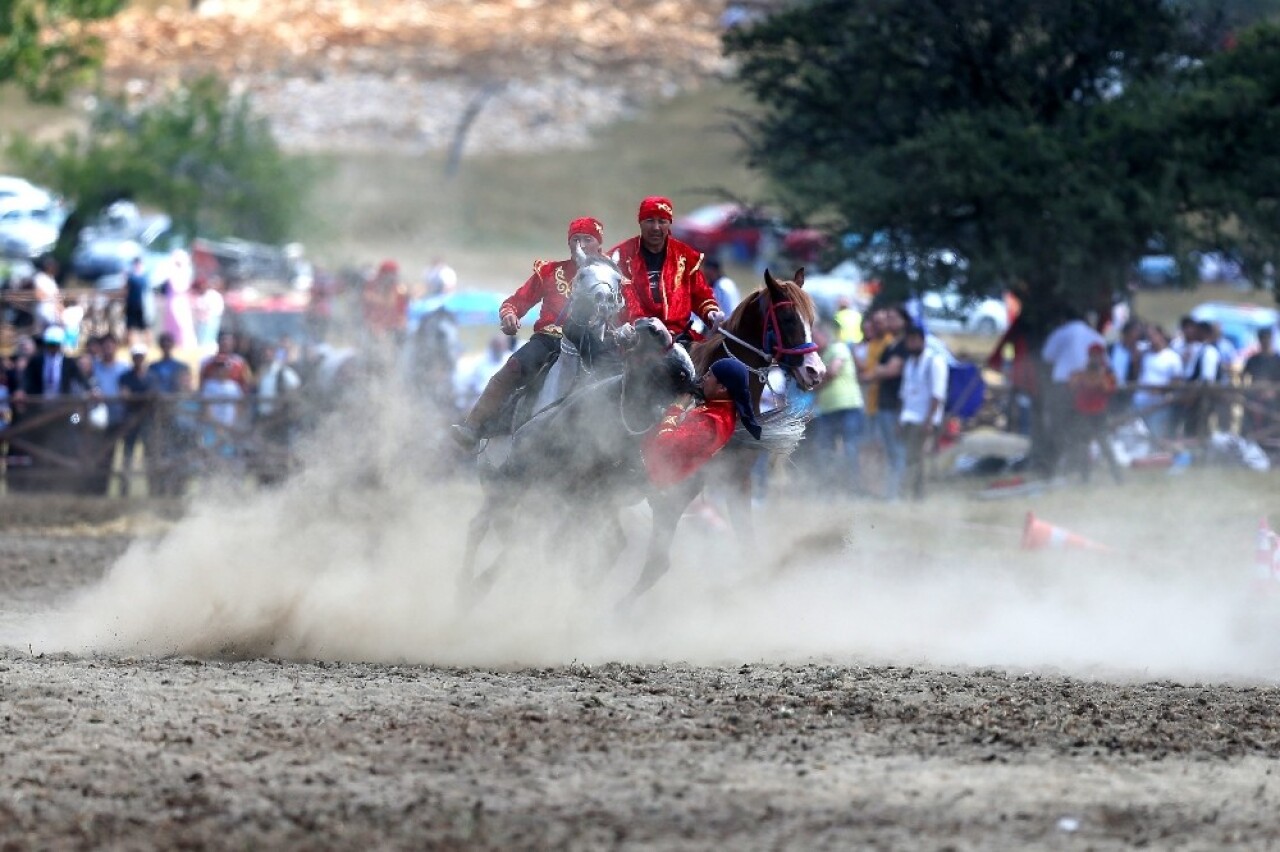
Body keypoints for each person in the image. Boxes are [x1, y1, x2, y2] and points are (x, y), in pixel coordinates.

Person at [452, 217, 609, 450]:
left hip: (592, 342)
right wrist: (509, 315)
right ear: (569, 244)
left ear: (599, 244)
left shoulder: (611, 275)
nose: (582, 245)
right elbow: (516, 301)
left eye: (588, 239)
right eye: (575, 240)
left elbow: (626, 310)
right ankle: (473, 426)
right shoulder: (549, 272)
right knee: (514, 365)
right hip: (549, 339)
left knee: (620, 379)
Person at [611, 196, 724, 343]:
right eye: (650, 221)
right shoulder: (619, 257)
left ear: (669, 223)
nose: (656, 227)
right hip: (633, 341)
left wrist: (711, 313)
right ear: (640, 222)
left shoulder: (686, 257)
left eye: (662, 221)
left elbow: (701, 296)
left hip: (680, 338)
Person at [643, 358, 761, 488]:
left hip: (657, 481)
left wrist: (677, 407)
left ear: (722, 388)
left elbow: (665, 445)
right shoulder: (721, 406)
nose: (704, 377)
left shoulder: (711, 422)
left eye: (709, 375)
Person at [1041, 310, 1105, 477]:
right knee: (1081, 431)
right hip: (1086, 389)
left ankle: (1051, 471)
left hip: (1063, 386)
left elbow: (1047, 356)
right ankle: (1081, 471)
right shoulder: (1095, 336)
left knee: (1058, 428)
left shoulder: (1060, 333)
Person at [805, 320, 865, 496]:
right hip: (828, 409)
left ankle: (852, 487)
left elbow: (832, 372)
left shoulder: (838, 348)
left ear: (824, 335)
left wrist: (816, 384)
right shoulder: (821, 356)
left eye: (814, 337)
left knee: (849, 448)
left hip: (848, 406)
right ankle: (831, 487)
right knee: (826, 449)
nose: (812, 341)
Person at [862, 305, 910, 499]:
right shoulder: (890, 346)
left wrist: (877, 372)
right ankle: (889, 492)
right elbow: (883, 369)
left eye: (892, 317)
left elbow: (892, 370)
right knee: (889, 452)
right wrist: (881, 370)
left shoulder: (903, 345)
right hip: (882, 405)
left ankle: (896, 495)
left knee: (897, 452)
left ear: (903, 321)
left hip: (895, 406)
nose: (887, 321)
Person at [898, 324, 947, 501]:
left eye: (914, 340)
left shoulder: (935, 361)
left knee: (919, 458)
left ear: (922, 341)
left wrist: (929, 420)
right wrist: (900, 419)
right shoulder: (910, 363)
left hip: (925, 418)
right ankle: (914, 494)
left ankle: (920, 495)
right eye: (908, 340)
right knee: (911, 457)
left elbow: (937, 395)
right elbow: (905, 393)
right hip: (909, 417)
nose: (910, 344)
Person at [1066, 343, 1123, 484]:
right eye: (1093, 356)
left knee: (1105, 446)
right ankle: (1084, 478)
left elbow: (1110, 389)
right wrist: (1086, 375)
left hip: (1099, 414)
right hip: (1083, 413)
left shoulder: (1107, 373)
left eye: (1097, 356)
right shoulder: (1081, 373)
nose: (1095, 359)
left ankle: (1117, 477)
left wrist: (1100, 375)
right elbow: (1072, 386)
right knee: (1083, 448)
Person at [117, 343, 157, 496]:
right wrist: (143, 398)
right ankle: (124, 490)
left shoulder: (152, 376)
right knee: (127, 454)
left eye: (140, 356)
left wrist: (134, 397)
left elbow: (153, 396)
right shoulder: (125, 376)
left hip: (147, 421)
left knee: (150, 455)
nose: (138, 359)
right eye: (136, 356)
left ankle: (152, 489)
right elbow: (125, 396)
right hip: (131, 421)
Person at [1133, 324, 1183, 441]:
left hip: (1159, 405)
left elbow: (1177, 382)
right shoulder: (1145, 356)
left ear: (1161, 335)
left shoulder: (1172, 358)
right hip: (1139, 402)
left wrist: (1160, 391)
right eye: (1148, 336)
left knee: (1156, 438)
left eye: (1153, 335)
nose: (1151, 339)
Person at [1243, 327, 1280, 438]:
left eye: (1267, 338)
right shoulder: (1253, 359)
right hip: (1254, 400)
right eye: (1262, 338)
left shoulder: (1277, 360)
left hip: (1273, 401)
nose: (1265, 341)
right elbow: (1244, 376)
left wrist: (1272, 391)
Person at [124, 256, 151, 348]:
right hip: (131, 305)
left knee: (146, 327)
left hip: (143, 306)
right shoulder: (130, 277)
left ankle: (148, 345)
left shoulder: (145, 277)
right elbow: (126, 290)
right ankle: (130, 345)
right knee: (130, 327)